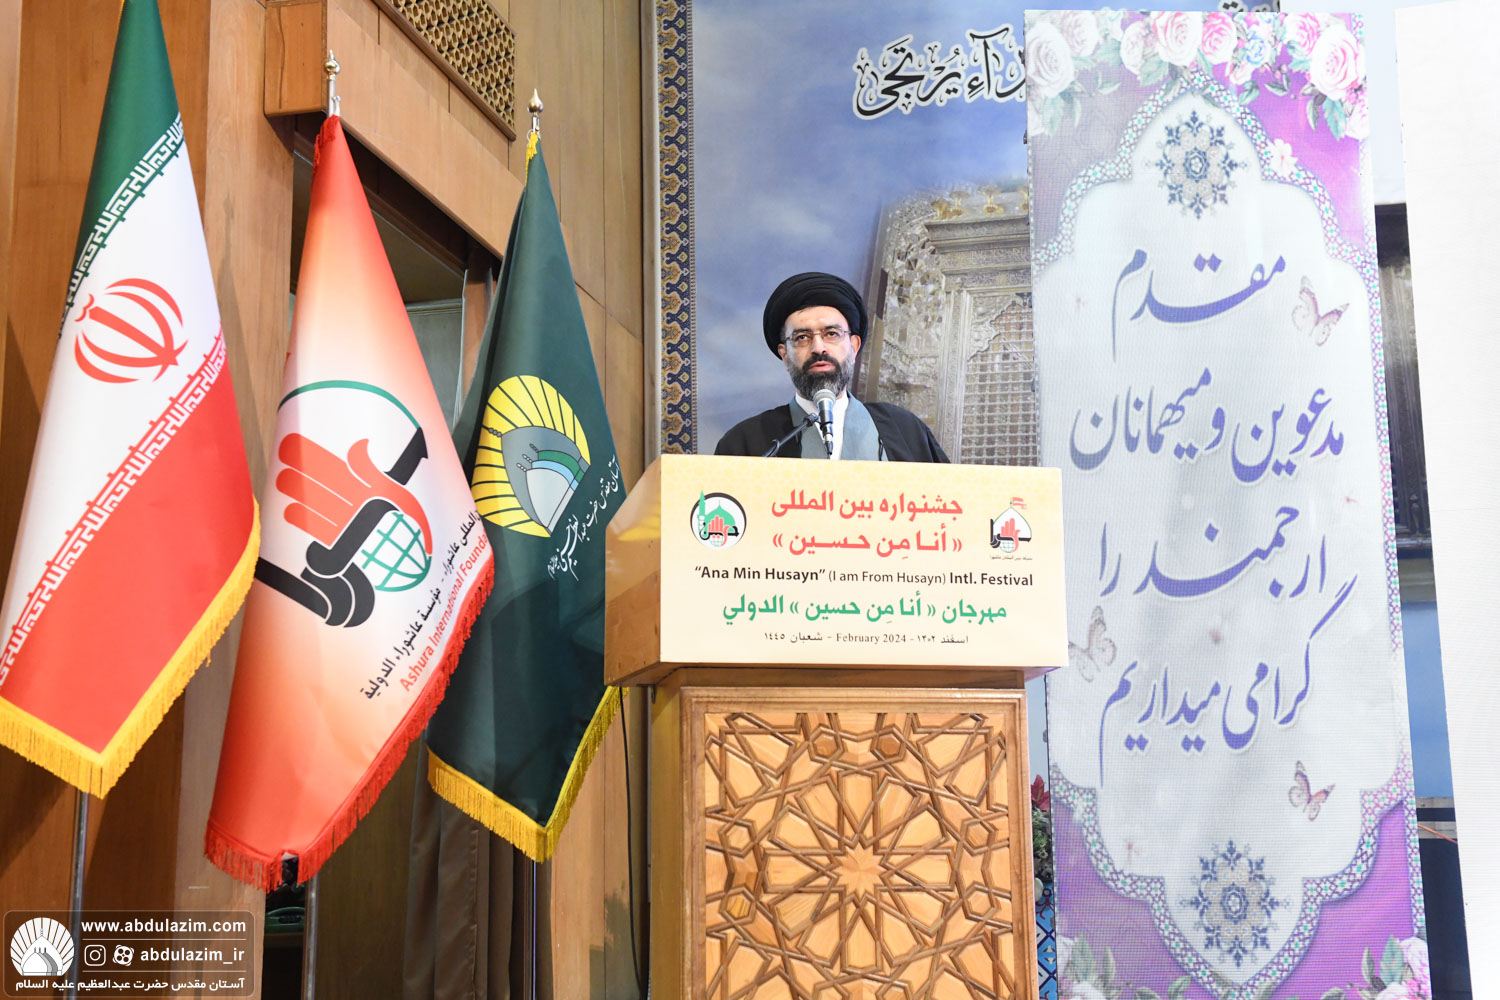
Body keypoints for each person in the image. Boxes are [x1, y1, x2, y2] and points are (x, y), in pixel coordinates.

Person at [714, 272, 950, 462]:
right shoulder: (744, 443)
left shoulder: (905, 430)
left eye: (831, 334)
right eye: (802, 337)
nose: (818, 348)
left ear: (854, 347)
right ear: (785, 355)